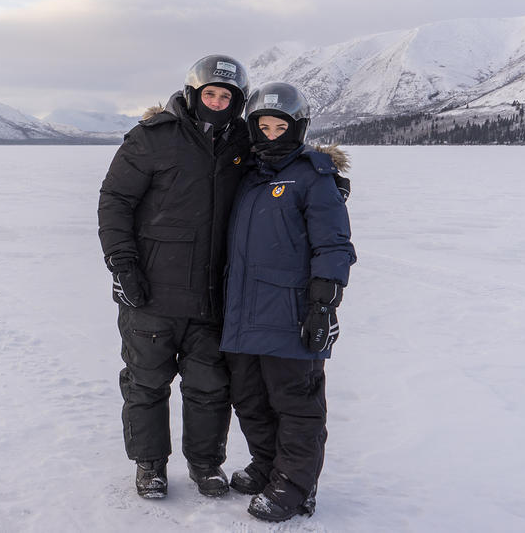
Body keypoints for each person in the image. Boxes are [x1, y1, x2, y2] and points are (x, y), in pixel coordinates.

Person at [98, 55, 251, 499]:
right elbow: (115, 201)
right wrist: (122, 265)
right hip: (151, 292)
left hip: (212, 295)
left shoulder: (243, 140)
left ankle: (205, 465)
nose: (218, 103)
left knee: (210, 387)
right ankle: (150, 466)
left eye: (227, 97)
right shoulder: (153, 138)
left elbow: (284, 154)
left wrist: (324, 177)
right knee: (146, 383)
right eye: (211, 94)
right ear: (193, 92)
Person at [221, 81, 356, 522]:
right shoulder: (247, 175)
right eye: (264, 125)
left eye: (281, 126)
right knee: (249, 398)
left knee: (296, 404)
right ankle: (268, 465)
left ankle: (296, 486)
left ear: (296, 128)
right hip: (242, 310)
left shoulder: (313, 176)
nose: (272, 134)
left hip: (290, 312)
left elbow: (334, 244)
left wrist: (324, 302)